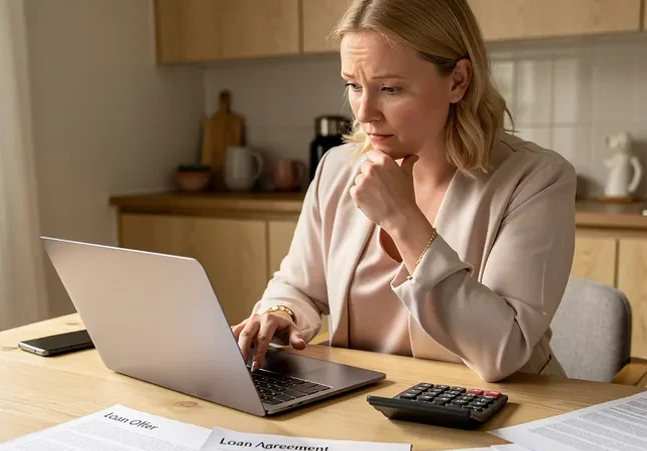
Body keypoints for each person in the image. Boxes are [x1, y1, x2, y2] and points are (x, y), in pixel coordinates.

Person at [233, 0, 576, 383]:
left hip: (504, 412)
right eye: (353, 85)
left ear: (458, 81)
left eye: (391, 89)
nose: (364, 113)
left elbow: (502, 351)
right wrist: (282, 312)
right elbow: (299, 285)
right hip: (364, 408)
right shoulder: (337, 167)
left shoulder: (536, 178)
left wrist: (402, 219)